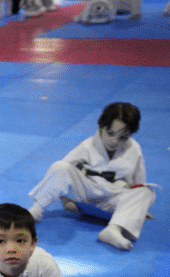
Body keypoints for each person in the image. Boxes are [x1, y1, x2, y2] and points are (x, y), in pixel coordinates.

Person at [27, 102, 156, 251]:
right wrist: (65, 199)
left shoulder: (134, 149)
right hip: (84, 198)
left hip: (111, 203)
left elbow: (138, 181)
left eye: (123, 137)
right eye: (111, 133)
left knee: (146, 191)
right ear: (101, 127)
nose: (115, 141)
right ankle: (35, 210)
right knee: (59, 166)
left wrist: (138, 207)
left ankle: (113, 230)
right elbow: (65, 170)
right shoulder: (88, 145)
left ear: (130, 135)